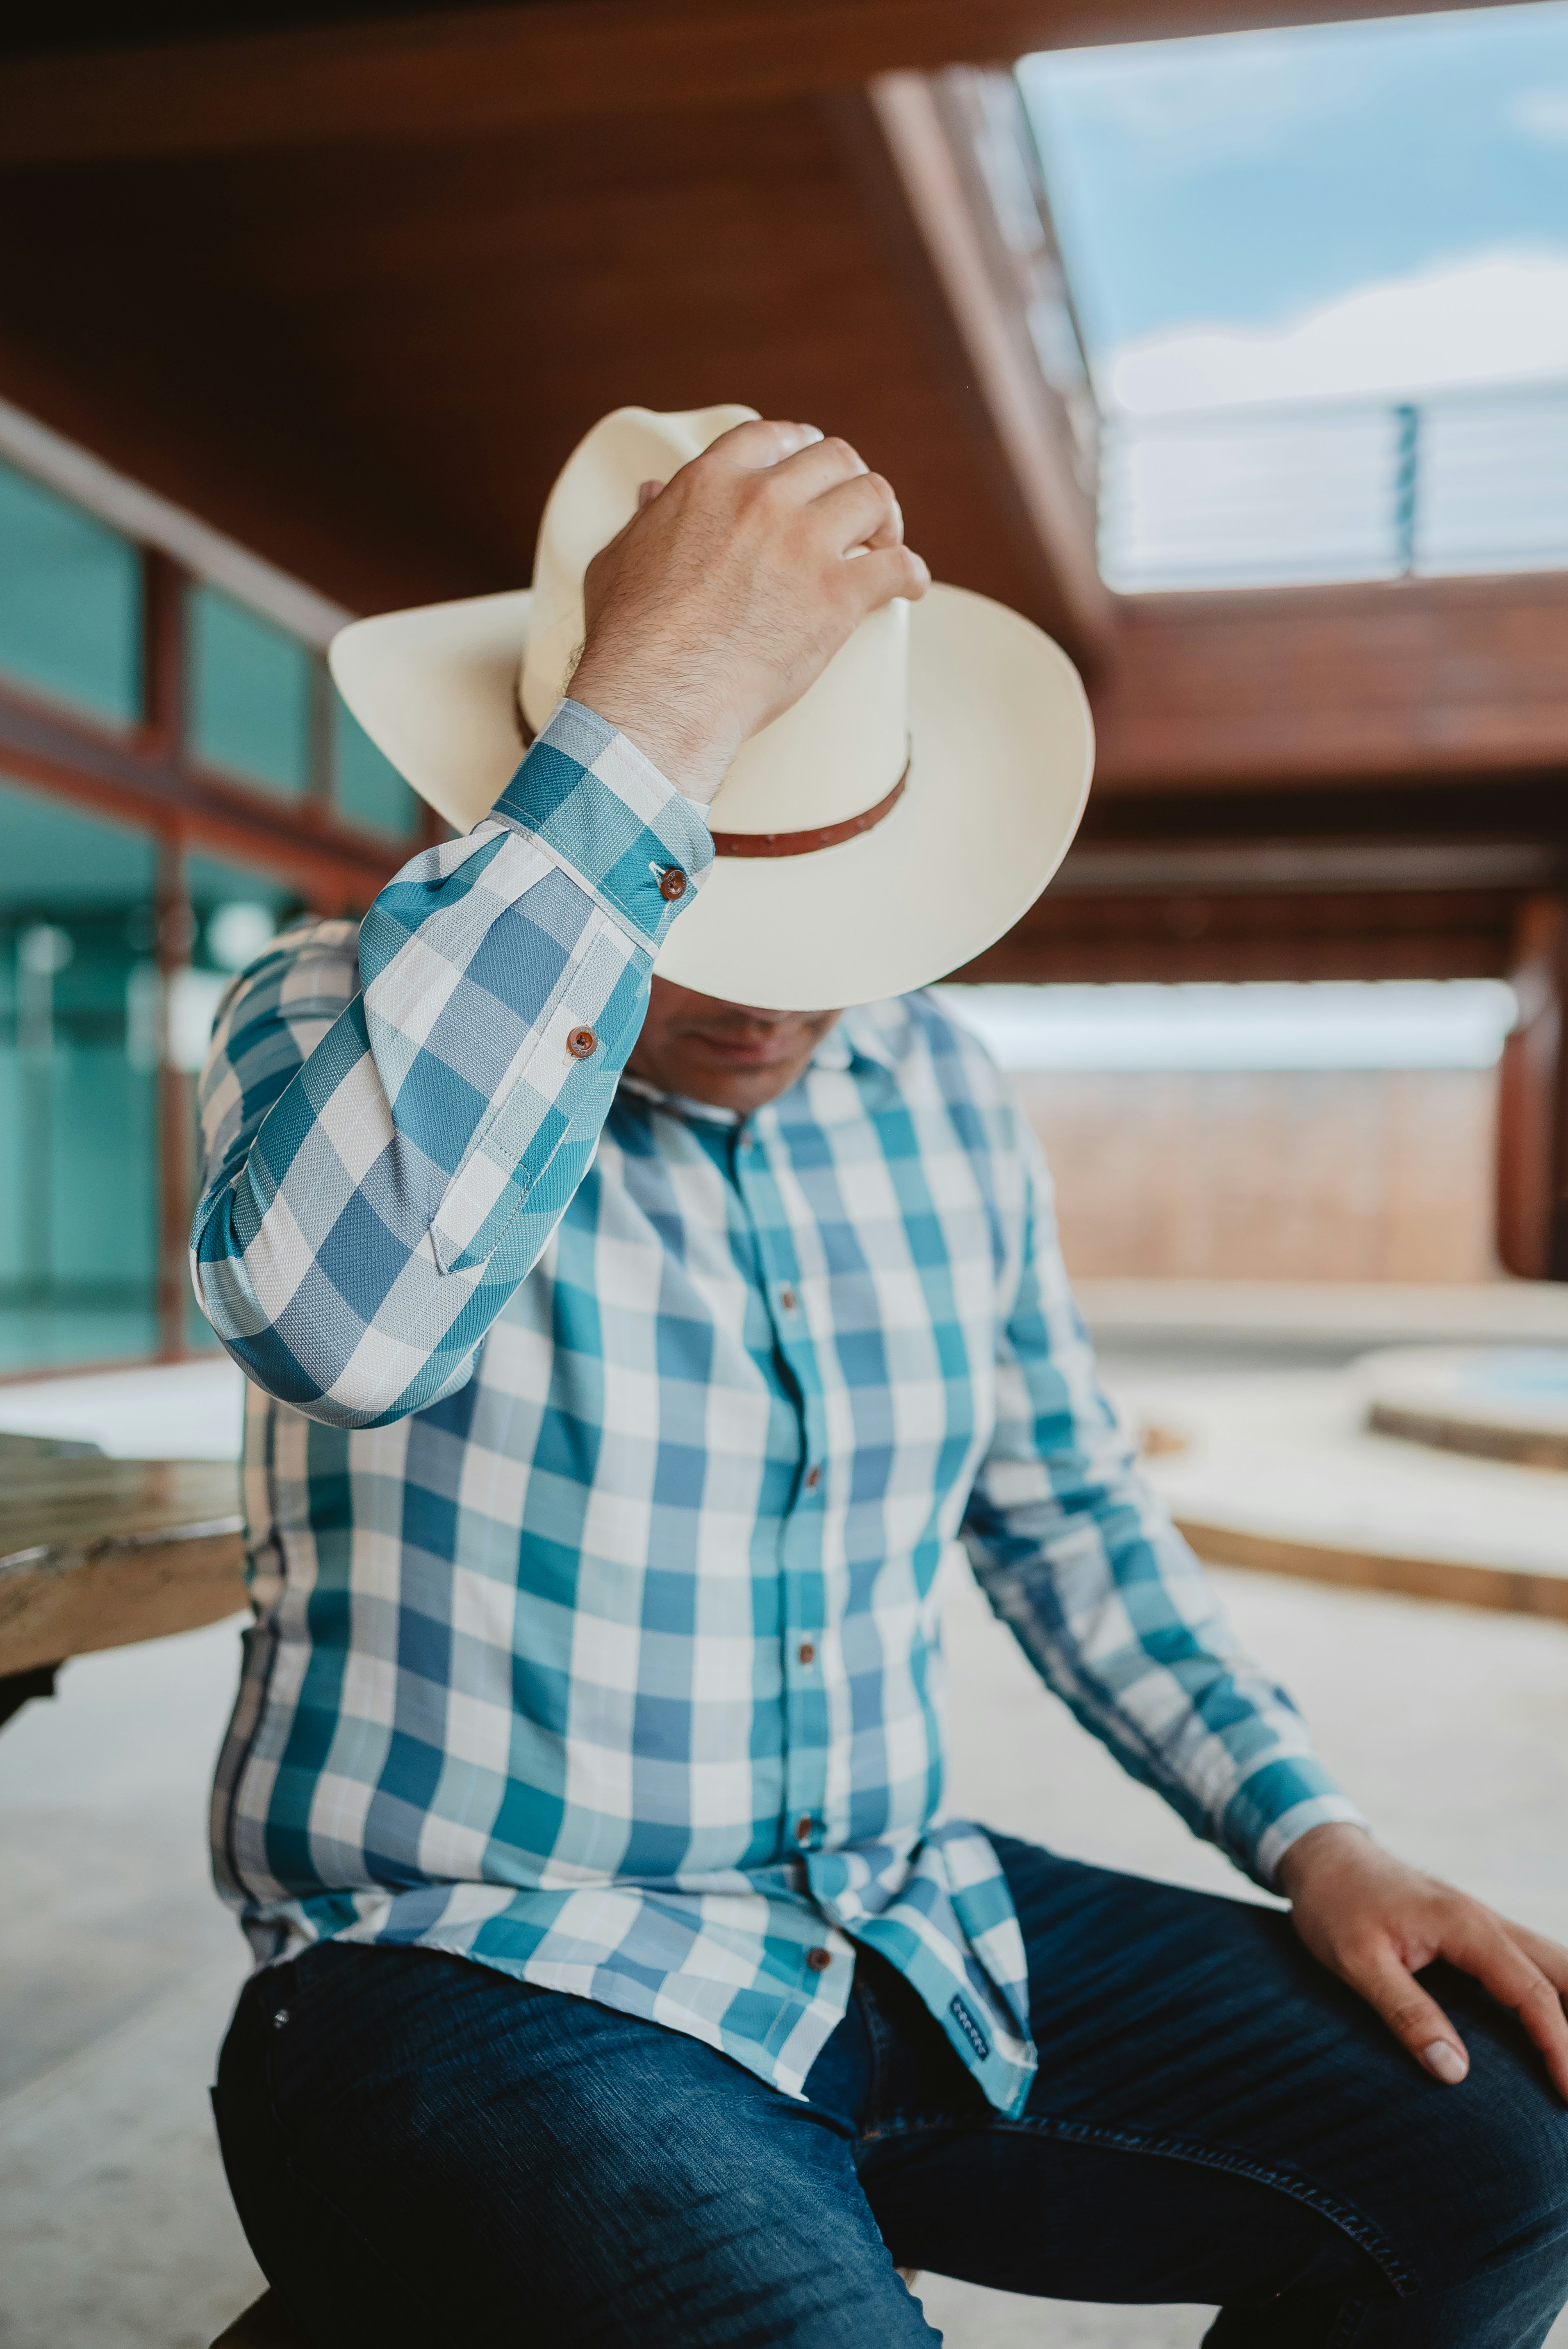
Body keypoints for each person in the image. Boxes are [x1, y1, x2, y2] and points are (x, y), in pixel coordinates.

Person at [193, 409, 1568, 2347]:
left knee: (1504, 2148)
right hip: (479, 1965)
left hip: (899, 1918)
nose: (774, 995)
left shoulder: (937, 1086)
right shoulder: (336, 1018)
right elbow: (339, 1331)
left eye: (825, 911)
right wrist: (657, 711)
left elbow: (1069, 1511)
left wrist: (1317, 1832)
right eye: (704, 896)